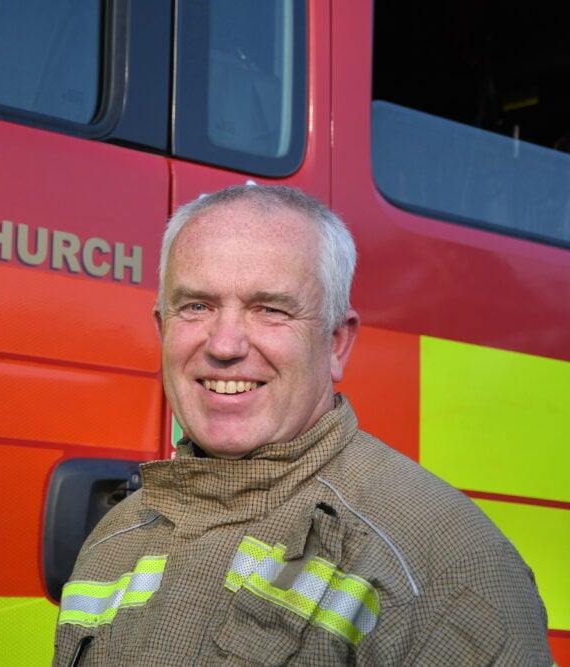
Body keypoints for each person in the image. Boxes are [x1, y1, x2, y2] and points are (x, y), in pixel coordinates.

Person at [51, 185, 552, 666]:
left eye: (270, 309)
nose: (224, 345)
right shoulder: (115, 537)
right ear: (163, 330)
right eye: (197, 306)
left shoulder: (442, 561)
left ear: (336, 343)